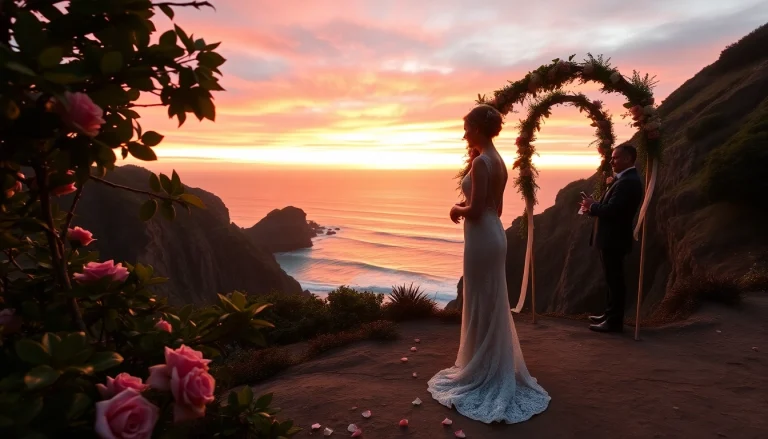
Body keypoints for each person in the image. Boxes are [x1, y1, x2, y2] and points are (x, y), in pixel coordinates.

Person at [427, 104, 550, 424]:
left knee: (481, 298)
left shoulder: (482, 162)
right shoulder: (497, 161)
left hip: (482, 238)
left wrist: (456, 208)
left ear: (479, 129)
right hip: (493, 235)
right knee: (489, 299)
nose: (464, 132)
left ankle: (481, 367)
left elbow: (477, 209)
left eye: (467, 127)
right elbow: (496, 206)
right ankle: (486, 361)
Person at [580, 144, 644, 333]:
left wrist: (593, 206)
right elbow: (612, 208)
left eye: (615, 158)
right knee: (611, 279)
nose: (611, 161)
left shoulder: (628, 182)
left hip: (614, 239)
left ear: (627, 159)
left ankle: (614, 322)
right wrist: (592, 207)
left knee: (615, 280)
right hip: (611, 238)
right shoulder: (624, 180)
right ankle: (609, 314)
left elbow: (614, 211)